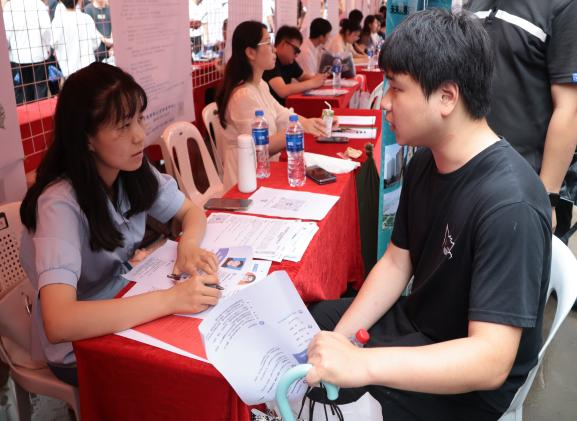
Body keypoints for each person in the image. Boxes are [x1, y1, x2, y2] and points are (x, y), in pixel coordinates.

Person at [305, 9, 551, 420]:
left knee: (329, 395)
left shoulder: (510, 204)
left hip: (465, 380)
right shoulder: (425, 161)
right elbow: (396, 263)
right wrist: (342, 340)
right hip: (419, 326)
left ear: (446, 97)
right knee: (314, 325)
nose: (385, 103)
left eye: (397, 88)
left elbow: (490, 360)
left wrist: (361, 363)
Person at [19, 62, 221, 386]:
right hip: (80, 346)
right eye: (123, 126)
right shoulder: (59, 204)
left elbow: (191, 213)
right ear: (87, 138)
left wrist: (188, 246)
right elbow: (60, 321)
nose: (139, 135)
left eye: (139, 119)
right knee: (182, 373)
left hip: (125, 298)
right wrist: (170, 300)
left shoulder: (132, 170)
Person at [465, 0, 577, 240]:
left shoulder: (564, 6)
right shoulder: (474, 4)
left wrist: (546, 198)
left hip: (525, 190)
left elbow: (570, 109)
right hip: (468, 178)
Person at [215, 21, 329, 190]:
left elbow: (282, 114)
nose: (274, 49)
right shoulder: (242, 96)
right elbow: (260, 147)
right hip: (245, 182)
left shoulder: (260, 85)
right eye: (268, 43)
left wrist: (313, 123)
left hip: (264, 172)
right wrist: (297, 130)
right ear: (251, 52)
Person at [263, 25, 326, 106]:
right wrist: (313, 83)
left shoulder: (289, 61)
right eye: (296, 50)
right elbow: (282, 90)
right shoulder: (271, 61)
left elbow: (303, 77)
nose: (297, 54)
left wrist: (319, 79)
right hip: (270, 109)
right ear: (283, 44)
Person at [3, 0, 52, 104]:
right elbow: (46, 30)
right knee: (40, 87)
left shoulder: (9, 7)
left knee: (27, 88)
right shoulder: (38, 4)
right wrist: (47, 46)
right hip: (38, 53)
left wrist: (9, 49)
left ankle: (31, 110)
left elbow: (5, 34)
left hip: (18, 56)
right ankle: (40, 112)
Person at [51, 0, 100, 78]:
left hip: (68, 69)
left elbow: (53, 43)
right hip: (88, 65)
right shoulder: (86, 18)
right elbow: (96, 42)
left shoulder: (57, 21)